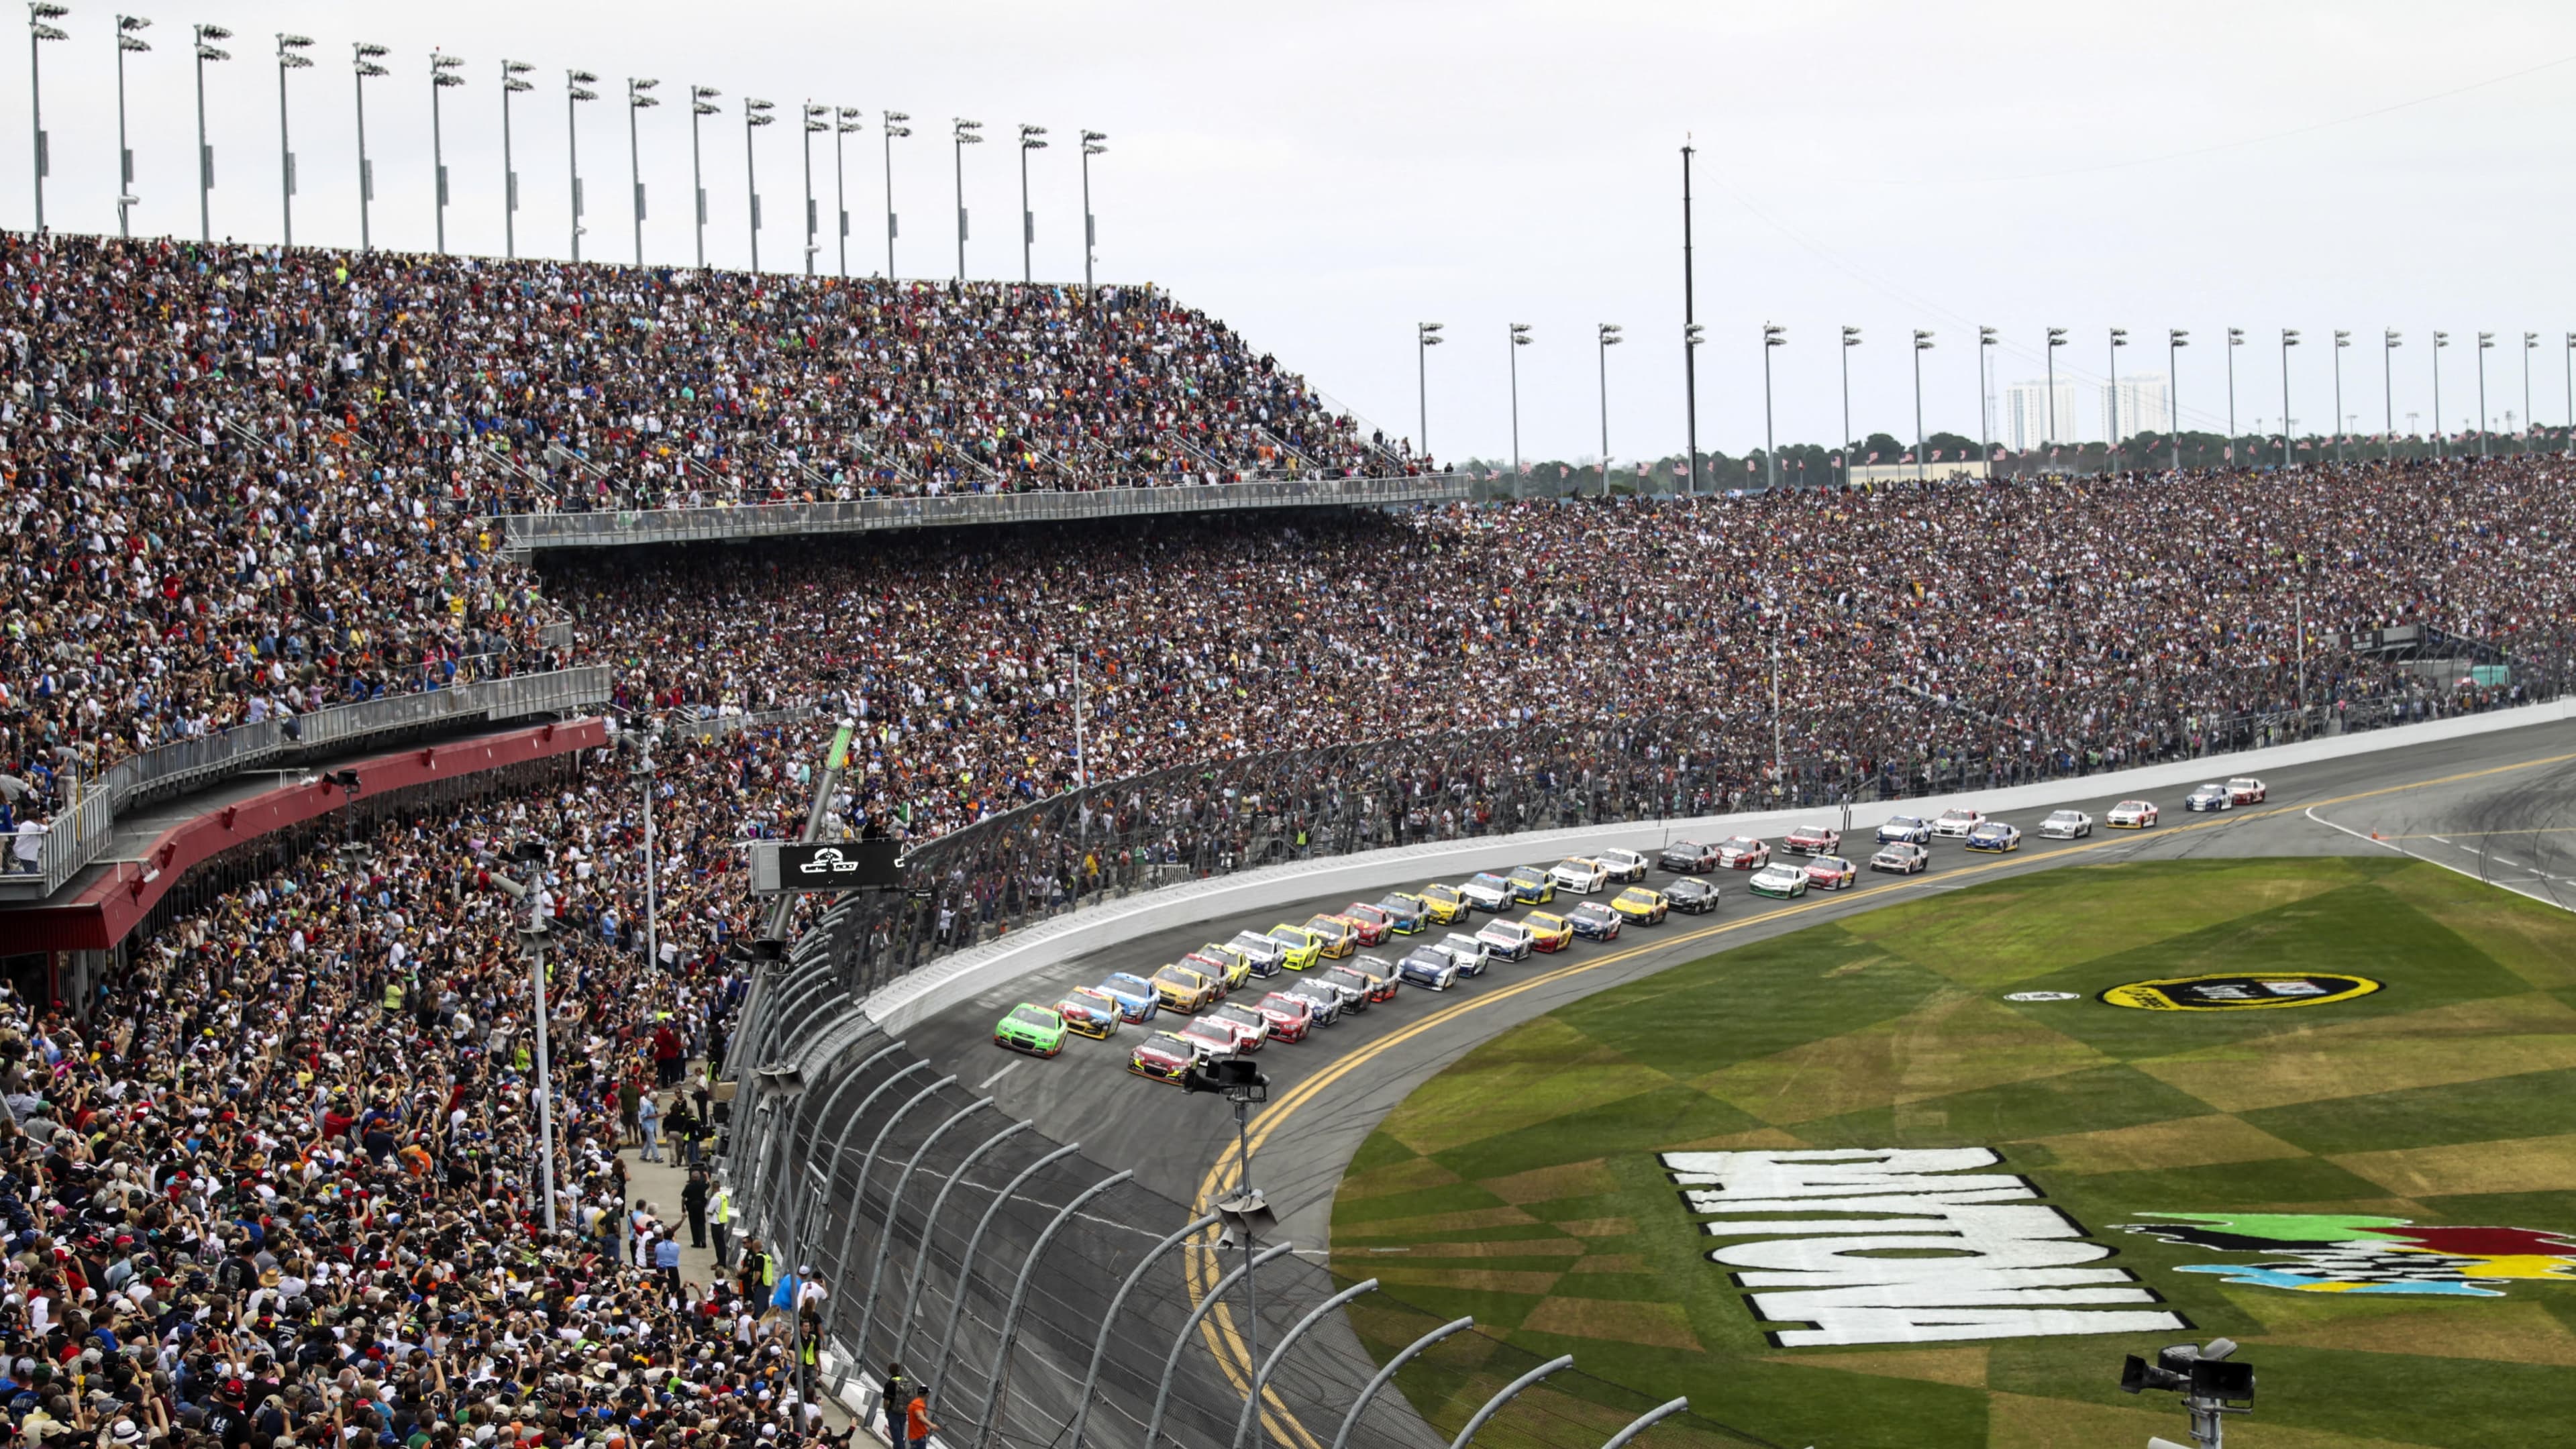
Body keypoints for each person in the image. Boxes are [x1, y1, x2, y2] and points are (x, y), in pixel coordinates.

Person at [682, 1169, 711, 1249]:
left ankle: (697, 1243)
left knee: (694, 1224)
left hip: (691, 1207)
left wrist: (683, 1208)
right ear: (699, 1177)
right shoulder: (702, 1185)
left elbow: (684, 1198)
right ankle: (703, 1240)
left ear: (692, 1177)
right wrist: (706, 1175)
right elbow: (708, 1183)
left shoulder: (688, 1186)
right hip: (701, 1206)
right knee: (701, 1223)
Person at [903, 1385, 937, 1449]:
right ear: (927, 1395)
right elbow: (920, 1417)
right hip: (918, 1436)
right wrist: (932, 1425)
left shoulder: (913, 1403)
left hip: (912, 1435)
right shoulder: (920, 1404)